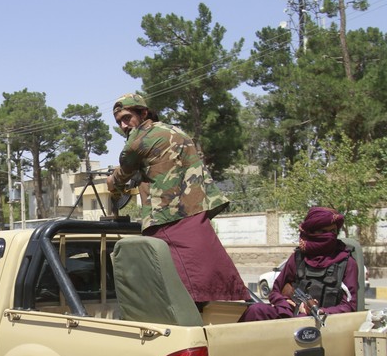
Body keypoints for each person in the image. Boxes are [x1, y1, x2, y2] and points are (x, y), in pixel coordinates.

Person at [105, 92, 250, 306]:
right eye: (119, 122)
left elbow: (121, 174)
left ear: (143, 113)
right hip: (194, 211)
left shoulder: (138, 140)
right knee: (214, 274)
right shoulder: (176, 131)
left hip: (166, 216)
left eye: (127, 118)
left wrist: (111, 183)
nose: (124, 126)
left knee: (179, 288)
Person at [239, 206, 358, 322]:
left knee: (302, 321)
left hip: (324, 322)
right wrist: (286, 303)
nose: (329, 236)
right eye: (322, 231)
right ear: (312, 232)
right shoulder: (298, 257)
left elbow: (349, 306)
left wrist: (321, 311)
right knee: (256, 310)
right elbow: (275, 291)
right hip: (291, 314)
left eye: (333, 231)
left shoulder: (346, 263)